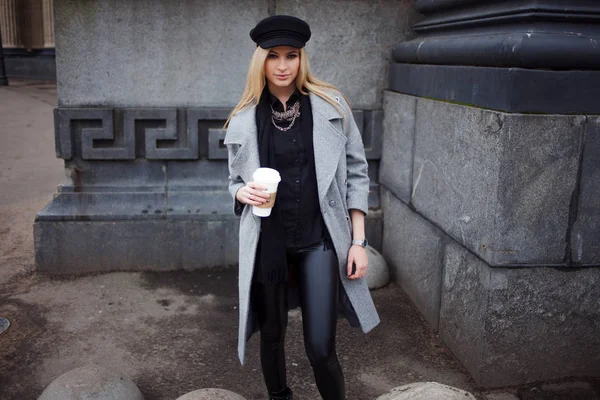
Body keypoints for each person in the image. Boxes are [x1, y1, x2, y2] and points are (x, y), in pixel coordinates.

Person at [224, 15, 380, 400]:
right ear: (260, 60)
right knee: (273, 337)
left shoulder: (331, 105)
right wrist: (241, 194)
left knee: (321, 348)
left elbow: (357, 174)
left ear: (301, 58)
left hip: (319, 239)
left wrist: (358, 241)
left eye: (291, 55)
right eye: (272, 56)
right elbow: (234, 181)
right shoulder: (244, 117)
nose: (282, 65)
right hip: (268, 243)